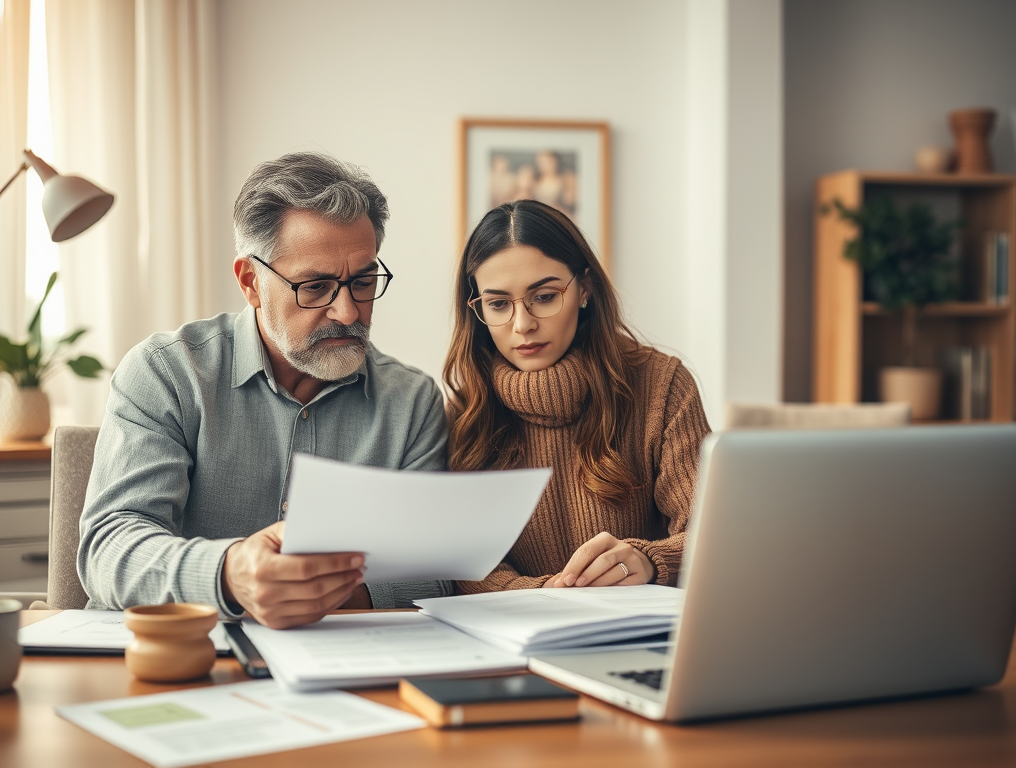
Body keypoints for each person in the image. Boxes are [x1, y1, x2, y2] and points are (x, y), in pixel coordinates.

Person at [78, 152, 451, 629]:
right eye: (315, 287)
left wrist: (318, 589)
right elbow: (108, 549)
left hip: (344, 665)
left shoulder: (412, 402)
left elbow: (435, 574)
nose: (349, 313)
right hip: (183, 657)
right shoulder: (166, 374)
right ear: (251, 281)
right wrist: (233, 575)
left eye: (362, 282)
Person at [443, 200, 710, 593]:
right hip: (514, 633)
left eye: (545, 296)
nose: (523, 324)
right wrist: (542, 595)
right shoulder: (467, 413)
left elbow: (713, 531)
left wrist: (650, 560)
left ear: (584, 289)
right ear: (477, 310)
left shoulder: (662, 386)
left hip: (641, 635)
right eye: (498, 304)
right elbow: (462, 561)